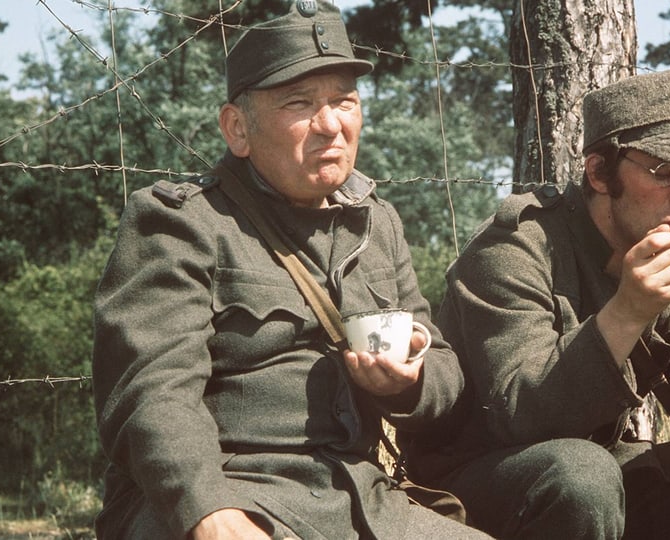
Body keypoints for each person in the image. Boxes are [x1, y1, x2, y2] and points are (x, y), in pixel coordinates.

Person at [91, 3, 490, 538]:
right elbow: (152, 394)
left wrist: (408, 381)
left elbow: (441, 366)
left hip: (360, 497)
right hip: (233, 491)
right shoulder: (180, 223)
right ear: (238, 129)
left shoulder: (377, 223)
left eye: (344, 102)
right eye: (300, 104)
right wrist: (207, 511)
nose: (331, 125)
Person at [399, 69, 670, 539]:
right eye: (663, 172)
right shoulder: (513, 248)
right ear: (600, 172)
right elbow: (518, 414)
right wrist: (627, 312)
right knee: (583, 475)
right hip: (476, 484)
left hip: (594, 479)